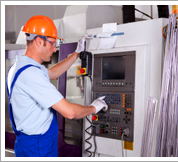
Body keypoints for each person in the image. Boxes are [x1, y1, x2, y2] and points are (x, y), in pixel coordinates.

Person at [6, 15, 108, 157]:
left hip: (28, 144)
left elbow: (53, 73)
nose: (55, 49)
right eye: (52, 43)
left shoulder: (19, 67)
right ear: (39, 41)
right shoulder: (31, 74)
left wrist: (76, 53)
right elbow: (70, 112)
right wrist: (94, 107)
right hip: (38, 147)